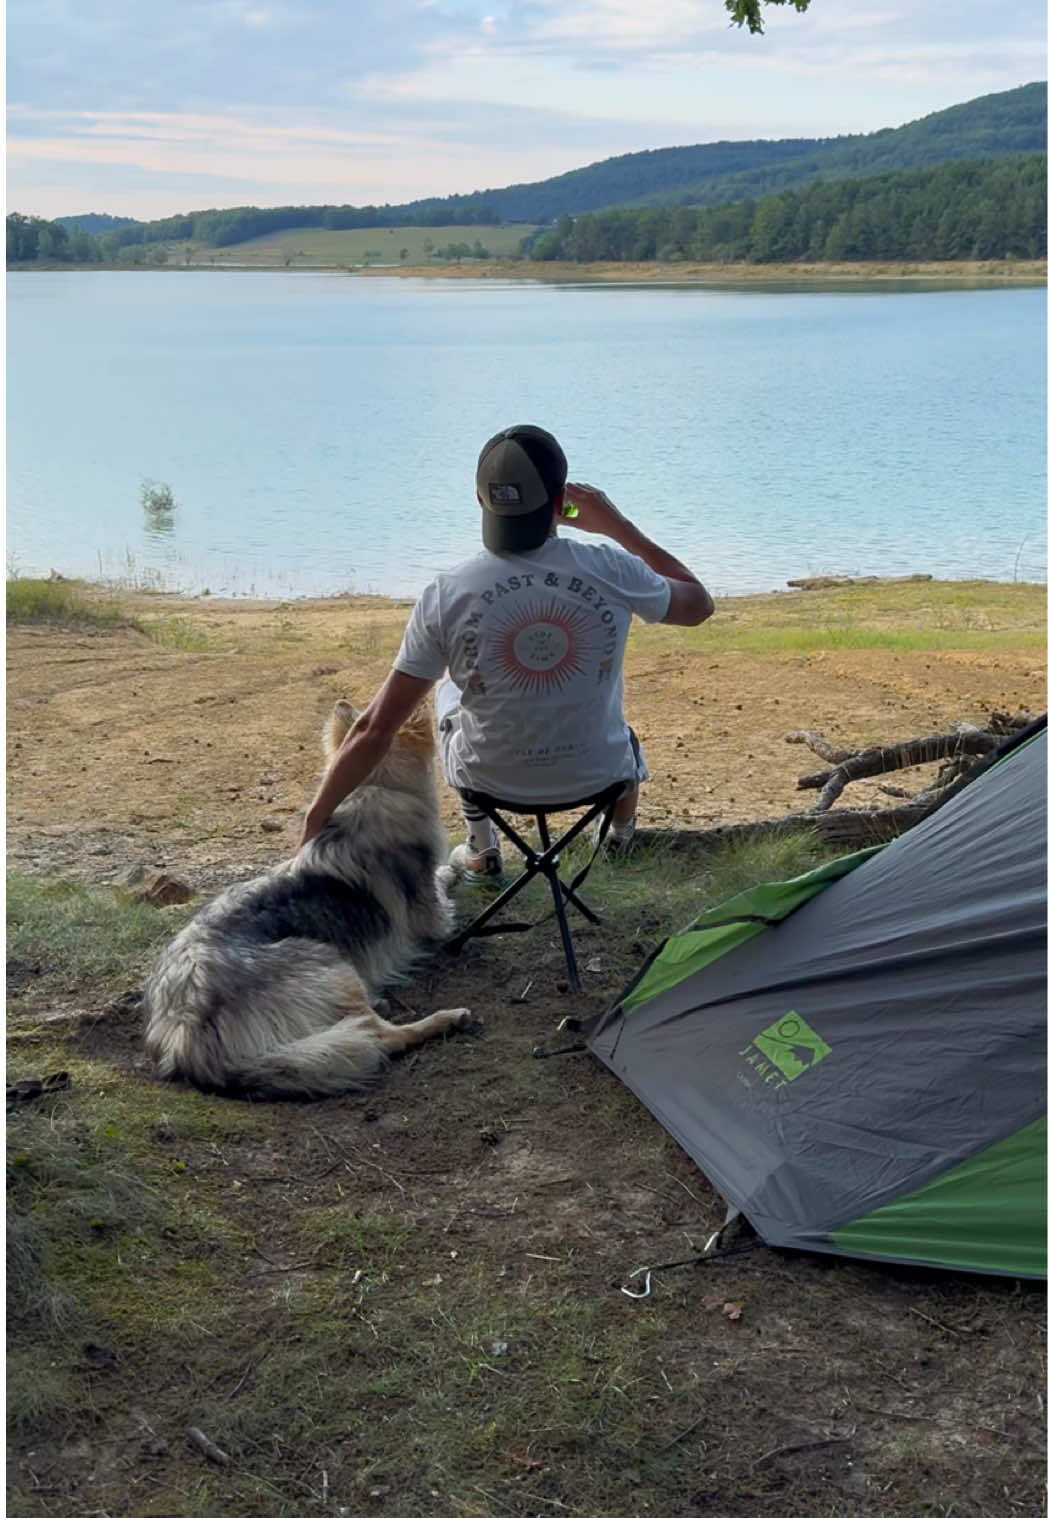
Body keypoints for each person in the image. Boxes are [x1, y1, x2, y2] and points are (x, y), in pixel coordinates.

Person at [298, 424, 714, 876]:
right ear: (561, 504)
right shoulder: (612, 568)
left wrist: (312, 825)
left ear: (481, 500)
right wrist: (617, 525)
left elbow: (374, 730)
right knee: (618, 722)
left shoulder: (446, 593)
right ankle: (622, 836)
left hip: (490, 783)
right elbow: (698, 605)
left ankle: (481, 849)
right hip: (600, 775)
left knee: (446, 694)